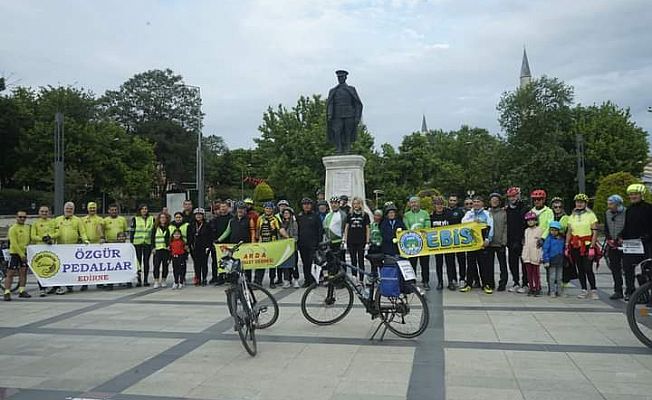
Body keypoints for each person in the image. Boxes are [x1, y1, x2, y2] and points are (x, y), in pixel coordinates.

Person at [621, 184, 652, 300]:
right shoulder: (629, 210)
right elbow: (627, 226)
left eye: (635, 194)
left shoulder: (649, 208)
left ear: (641, 195)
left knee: (646, 269)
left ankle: (644, 293)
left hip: (646, 244)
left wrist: (647, 237)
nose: (633, 196)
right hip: (632, 244)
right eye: (631, 195)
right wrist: (621, 236)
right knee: (628, 268)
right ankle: (630, 292)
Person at [565, 193, 599, 300]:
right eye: (577, 202)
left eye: (581, 202)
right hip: (575, 245)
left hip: (587, 244)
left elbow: (595, 232)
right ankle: (584, 289)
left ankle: (593, 290)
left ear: (585, 203)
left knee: (588, 268)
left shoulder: (591, 215)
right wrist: (566, 245)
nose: (579, 204)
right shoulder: (572, 216)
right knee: (580, 268)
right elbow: (569, 232)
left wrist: (593, 247)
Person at [51, 202, 89, 294]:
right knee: (59, 267)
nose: (69, 210)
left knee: (70, 267)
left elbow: (82, 232)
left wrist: (86, 241)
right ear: (64, 209)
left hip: (72, 248)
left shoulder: (78, 220)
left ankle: (69, 285)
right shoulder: (57, 220)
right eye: (67, 208)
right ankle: (56, 286)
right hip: (60, 248)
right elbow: (53, 232)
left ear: (73, 210)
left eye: (71, 209)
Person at [460, 196, 494, 294]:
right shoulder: (469, 213)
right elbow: (463, 223)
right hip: (471, 243)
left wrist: (488, 239)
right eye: (474, 202)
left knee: (483, 265)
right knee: (470, 265)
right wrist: (473, 221)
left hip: (482, 243)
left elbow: (491, 227)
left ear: (482, 203)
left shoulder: (487, 214)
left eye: (478, 202)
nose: (475, 203)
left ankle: (486, 284)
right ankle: (469, 284)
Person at [219, 202, 256, 282]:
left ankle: (248, 281)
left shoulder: (250, 219)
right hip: (234, 246)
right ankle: (234, 280)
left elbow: (253, 232)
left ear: (245, 210)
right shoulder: (232, 220)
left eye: (242, 208)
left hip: (246, 245)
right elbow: (227, 232)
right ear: (236, 209)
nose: (240, 210)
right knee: (234, 264)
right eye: (239, 208)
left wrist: (253, 243)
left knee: (246, 264)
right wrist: (219, 240)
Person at [403, 196, 432, 289]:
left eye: (415, 202)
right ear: (410, 204)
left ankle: (426, 281)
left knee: (425, 263)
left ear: (419, 203)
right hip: (412, 243)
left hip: (423, 243)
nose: (414, 204)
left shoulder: (425, 213)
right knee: (412, 263)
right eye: (412, 203)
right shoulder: (406, 215)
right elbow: (406, 227)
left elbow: (427, 226)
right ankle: (412, 281)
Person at [430, 196, 457, 290]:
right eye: (437, 204)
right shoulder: (431, 216)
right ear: (434, 205)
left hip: (449, 244)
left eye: (441, 204)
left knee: (450, 263)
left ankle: (450, 282)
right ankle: (440, 282)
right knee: (439, 263)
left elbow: (455, 226)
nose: (439, 206)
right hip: (437, 244)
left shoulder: (449, 214)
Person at [5, 211, 32, 301]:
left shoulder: (27, 228)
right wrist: (21, 254)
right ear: (16, 217)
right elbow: (14, 243)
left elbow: (30, 239)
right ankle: (7, 292)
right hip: (15, 253)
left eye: (24, 217)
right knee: (10, 273)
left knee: (23, 272)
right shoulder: (13, 228)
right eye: (20, 217)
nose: (22, 219)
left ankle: (22, 290)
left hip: (24, 253)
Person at [506, 187, 528, 293]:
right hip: (510, 240)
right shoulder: (506, 210)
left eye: (514, 196)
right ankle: (516, 282)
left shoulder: (525, 208)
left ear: (518, 196)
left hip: (522, 239)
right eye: (510, 197)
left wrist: (525, 237)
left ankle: (525, 283)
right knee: (512, 262)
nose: (512, 198)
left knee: (524, 262)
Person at [297, 198, 323, 287]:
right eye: (304, 204)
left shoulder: (315, 216)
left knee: (313, 263)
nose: (306, 205)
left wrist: (319, 242)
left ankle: (314, 280)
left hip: (313, 244)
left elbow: (320, 230)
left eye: (308, 204)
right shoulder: (299, 216)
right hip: (302, 244)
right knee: (305, 263)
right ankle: (307, 280)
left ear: (311, 205)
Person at [604, 195, 626, 300]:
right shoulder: (607, 213)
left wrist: (621, 236)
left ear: (618, 204)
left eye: (611, 204)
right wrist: (609, 238)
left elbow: (628, 226)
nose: (609, 206)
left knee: (628, 268)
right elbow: (606, 227)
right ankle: (618, 290)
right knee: (615, 268)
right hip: (612, 244)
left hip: (624, 244)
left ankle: (630, 290)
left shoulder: (626, 212)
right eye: (608, 204)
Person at [30, 205, 55, 297]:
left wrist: (51, 237)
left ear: (49, 213)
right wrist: (42, 239)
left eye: (46, 211)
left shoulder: (52, 222)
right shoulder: (35, 223)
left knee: (53, 267)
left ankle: (55, 287)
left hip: (51, 248)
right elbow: (33, 236)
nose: (44, 213)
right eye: (42, 211)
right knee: (41, 269)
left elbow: (57, 232)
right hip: (40, 249)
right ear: (39, 212)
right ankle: (42, 289)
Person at [343, 197, 370, 282]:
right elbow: (347, 228)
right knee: (353, 260)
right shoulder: (349, 214)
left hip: (361, 240)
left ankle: (361, 279)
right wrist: (345, 240)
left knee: (361, 260)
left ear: (361, 204)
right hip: (351, 240)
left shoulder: (365, 215)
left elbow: (367, 228)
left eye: (358, 203)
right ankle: (354, 278)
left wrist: (367, 241)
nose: (356, 205)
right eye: (354, 204)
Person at [256, 202, 281, 288]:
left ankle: (272, 281)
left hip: (272, 243)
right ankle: (258, 281)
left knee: (272, 264)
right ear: (264, 209)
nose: (268, 210)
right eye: (267, 208)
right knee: (260, 263)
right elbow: (257, 229)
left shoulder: (275, 219)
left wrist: (287, 237)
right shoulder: (260, 218)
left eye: (270, 208)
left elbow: (279, 229)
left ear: (272, 209)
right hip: (262, 243)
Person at [103, 204, 128, 290]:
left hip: (120, 246)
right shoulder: (105, 220)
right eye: (112, 210)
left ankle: (123, 280)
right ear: (109, 211)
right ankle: (110, 283)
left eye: (115, 210)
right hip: (110, 245)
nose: (114, 211)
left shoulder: (122, 219)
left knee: (120, 265)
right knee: (110, 265)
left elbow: (125, 231)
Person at [487, 193, 509, 291]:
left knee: (502, 265)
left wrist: (504, 241)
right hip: (489, 243)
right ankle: (490, 283)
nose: (494, 201)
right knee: (489, 265)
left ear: (499, 202)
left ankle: (503, 283)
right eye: (492, 200)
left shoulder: (504, 213)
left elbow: (506, 228)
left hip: (500, 242)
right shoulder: (487, 213)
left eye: (496, 200)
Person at [82, 202, 105, 291]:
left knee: (98, 265)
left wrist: (102, 237)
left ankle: (99, 282)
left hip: (97, 245)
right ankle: (84, 283)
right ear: (88, 209)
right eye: (90, 208)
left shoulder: (100, 219)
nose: (92, 209)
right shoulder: (83, 219)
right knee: (86, 266)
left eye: (94, 208)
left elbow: (101, 229)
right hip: (86, 245)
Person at [188, 208, 213, 286]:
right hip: (195, 247)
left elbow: (210, 236)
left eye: (200, 215)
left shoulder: (207, 225)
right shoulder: (191, 225)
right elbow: (189, 236)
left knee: (204, 263)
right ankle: (197, 278)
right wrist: (190, 245)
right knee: (196, 264)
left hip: (204, 247)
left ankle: (204, 278)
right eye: (197, 215)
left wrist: (208, 246)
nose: (198, 216)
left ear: (203, 216)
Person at [130, 204, 154, 287]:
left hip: (147, 242)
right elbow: (132, 232)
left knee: (146, 261)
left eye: (146, 209)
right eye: (142, 209)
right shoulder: (135, 219)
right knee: (138, 262)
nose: (144, 210)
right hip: (137, 243)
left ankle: (146, 279)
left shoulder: (151, 219)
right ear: (139, 210)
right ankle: (139, 280)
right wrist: (131, 243)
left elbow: (153, 231)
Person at [209, 200, 231, 285]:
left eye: (224, 206)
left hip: (228, 242)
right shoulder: (215, 219)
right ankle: (217, 277)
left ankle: (229, 277)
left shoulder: (231, 218)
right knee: (216, 261)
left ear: (228, 208)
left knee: (228, 260)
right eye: (221, 207)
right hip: (217, 243)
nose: (223, 208)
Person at [522, 211, 543, 296]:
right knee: (529, 273)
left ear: (536, 221)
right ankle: (531, 288)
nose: (530, 222)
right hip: (527, 254)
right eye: (528, 220)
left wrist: (541, 255)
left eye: (532, 220)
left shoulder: (539, 230)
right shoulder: (526, 230)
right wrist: (523, 254)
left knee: (536, 273)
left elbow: (540, 244)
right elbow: (525, 243)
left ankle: (537, 288)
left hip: (536, 254)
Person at [542, 221, 565, 297]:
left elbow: (564, 249)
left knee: (559, 277)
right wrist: (546, 260)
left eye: (555, 230)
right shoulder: (548, 239)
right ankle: (552, 291)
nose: (553, 232)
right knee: (552, 277)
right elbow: (545, 250)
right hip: (551, 260)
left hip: (560, 260)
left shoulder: (561, 239)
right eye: (552, 230)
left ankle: (559, 291)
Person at [447, 194, 465, 288]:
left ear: (457, 202)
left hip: (459, 240)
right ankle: (452, 279)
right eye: (451, 200)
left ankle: (462, 278)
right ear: (448, 201)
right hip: (448, 241)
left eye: (454, 200)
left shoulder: (461, 212)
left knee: (461, 260)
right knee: (450, 261)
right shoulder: (445, 211)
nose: (452, 202)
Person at [279, 207, 300, 288]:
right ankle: (287, 280)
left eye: (287, 213)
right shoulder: (281, 223)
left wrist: (291, 240)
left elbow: (296, 235)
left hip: (293, 247)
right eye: (284, 213)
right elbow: (279, 234)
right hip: (284, 248)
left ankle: (296, 279)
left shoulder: (294, 223)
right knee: (286, 264)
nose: (286, 214)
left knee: (294, 264)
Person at [150, 212, 172, 288]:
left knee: (165, 266)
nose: (163, 219)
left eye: (164, 218)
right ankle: (156, 280)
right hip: (157, 249)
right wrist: (152, 248)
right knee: (156, 266)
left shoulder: (169, 227)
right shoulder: (155, 227)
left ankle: (163, 280)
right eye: (161, 218)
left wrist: (170, 247)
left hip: (166, 250)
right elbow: (152, 238)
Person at [324, 196, 348, 261]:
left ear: (339, 204)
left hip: (338, 242)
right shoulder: (328, 215)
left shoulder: (343, 215)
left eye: (336, 203)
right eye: (332, 203)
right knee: (330, 262)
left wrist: (344, 241)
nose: (334, 205)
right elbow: (325, 227)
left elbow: (345, 228)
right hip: (329, 242)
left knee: (340, 261)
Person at [368, 209, 384, 276]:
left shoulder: (383, 225)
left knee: (380, 263)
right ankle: (374, 276)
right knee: (373, 264)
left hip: (380, 246)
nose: (377, 217)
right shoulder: (371, 225)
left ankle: (382, 277)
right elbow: (368, 234)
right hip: (372, 246)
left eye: (378, 215)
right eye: (375, 215)